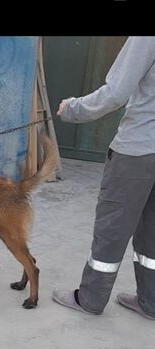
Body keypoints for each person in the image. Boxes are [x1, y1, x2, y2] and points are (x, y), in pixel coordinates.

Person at [52, 36, 155, 320]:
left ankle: (90, 299)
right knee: (153, 231)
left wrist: (74, 109)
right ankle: (152, 302)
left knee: (112, 228)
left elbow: (116, 92)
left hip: (139, 150)